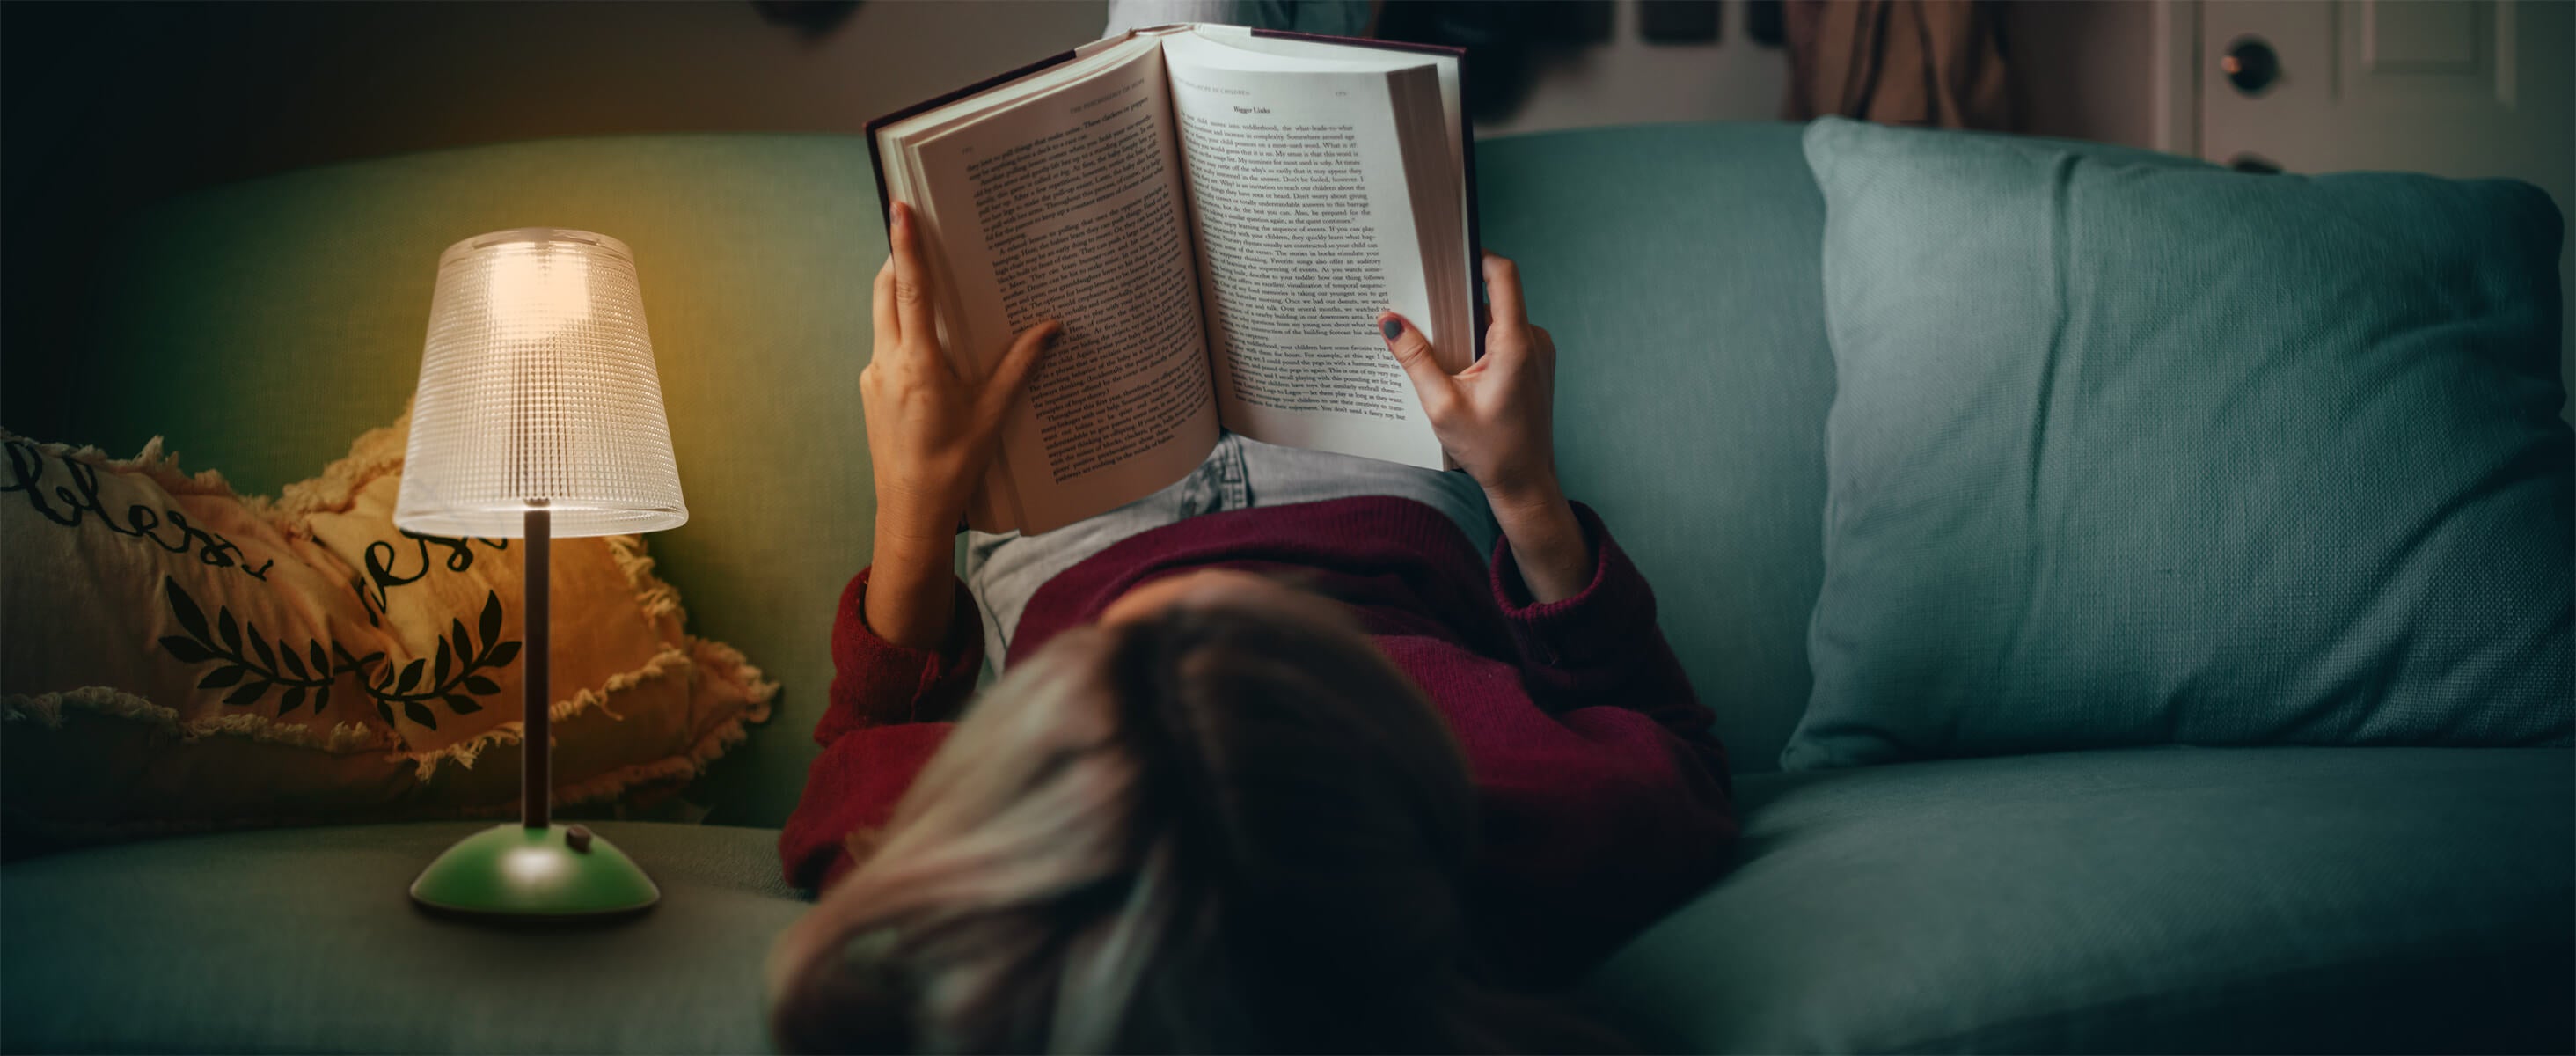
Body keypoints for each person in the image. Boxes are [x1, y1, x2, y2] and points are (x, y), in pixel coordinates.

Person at [765, 201, 1735, 1053]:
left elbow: (857, 753)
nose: (1213, 610)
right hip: (1371, 485)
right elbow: (1672, 738)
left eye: (1127, 681)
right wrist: (1522, 484)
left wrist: (915, 505)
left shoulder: (980, 878)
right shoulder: (1531, 837)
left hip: (1072, 527)